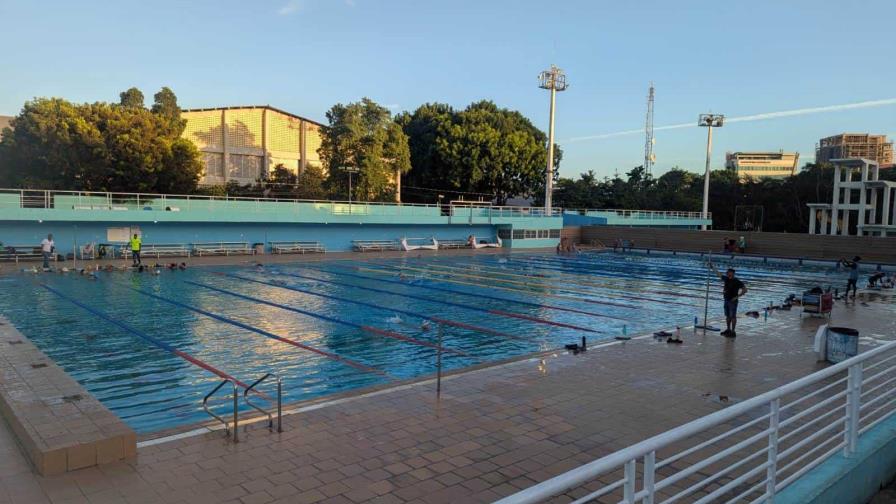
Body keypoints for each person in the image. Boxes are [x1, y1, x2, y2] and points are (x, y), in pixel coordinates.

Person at [709, 262, 748, 338]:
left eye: (729, 273)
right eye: (727, 273)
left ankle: (733, 331)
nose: (727, 274)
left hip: (733, 301)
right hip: (726, 300)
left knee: (733, 316)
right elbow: (718, 274)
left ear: (732, 273)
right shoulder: (726, 279)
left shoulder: (737, 281)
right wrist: (712, 267)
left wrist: (737, 297)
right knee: (727, 316)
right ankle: (728, 329)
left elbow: (745, 290)